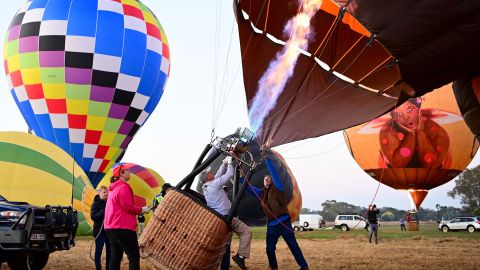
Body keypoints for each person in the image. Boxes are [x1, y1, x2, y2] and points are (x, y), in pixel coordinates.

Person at [243, 159, 308, 270]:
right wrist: (241, 178)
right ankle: (273, 267)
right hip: (272, 225)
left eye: (269, 179)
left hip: (283, 222)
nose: (267, 180)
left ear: (272, 181)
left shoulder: (278, 188)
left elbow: (273, 172)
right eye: (265, 179)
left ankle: (304, 266)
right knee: (269, 249)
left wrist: (267, 158)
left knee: (293, 246)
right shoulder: (261, 193)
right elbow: (249, 188)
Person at [200, 156, 252, 270]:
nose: (211, 173)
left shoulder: (207, 186)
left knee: (225, 246)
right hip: (225, 217)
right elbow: (228, 175)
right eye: (209, 173)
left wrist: (223, 163)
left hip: (218, 218)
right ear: (207, 178)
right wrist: (229, 164)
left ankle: (225, 267)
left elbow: (218, 174)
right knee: (246, 232)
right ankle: (240, 256)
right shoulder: (214, 184)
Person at [379, 97, 451, 169]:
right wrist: (412, 134)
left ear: (419, 109)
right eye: (398, 114)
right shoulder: (388, 131)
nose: (405, 117)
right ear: (394, 119)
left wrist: (420, 132)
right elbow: (398, 163)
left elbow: (431, 163)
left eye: (409, 110)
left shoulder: (434, 129)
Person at [104, 164, 151, 270]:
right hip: (123, 227)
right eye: (127, 171)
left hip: (110, 228)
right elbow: (127, 206)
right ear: (121, 173)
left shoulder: (112, 189)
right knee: (133, 255)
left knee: (115, 256)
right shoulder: (123, 187)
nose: (130, 172)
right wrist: (142, 210)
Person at [90, 186, 111, 270]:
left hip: (109, 232)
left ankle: (108, 267)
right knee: (98, 251)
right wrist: (104, 211)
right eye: (104, 192)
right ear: (99, 193)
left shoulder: (110, 203)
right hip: (99, 232)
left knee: (110, 251)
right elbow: (93, 217)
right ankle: (98, 267)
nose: (106, 194)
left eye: (107, 192)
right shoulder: (95, 203)